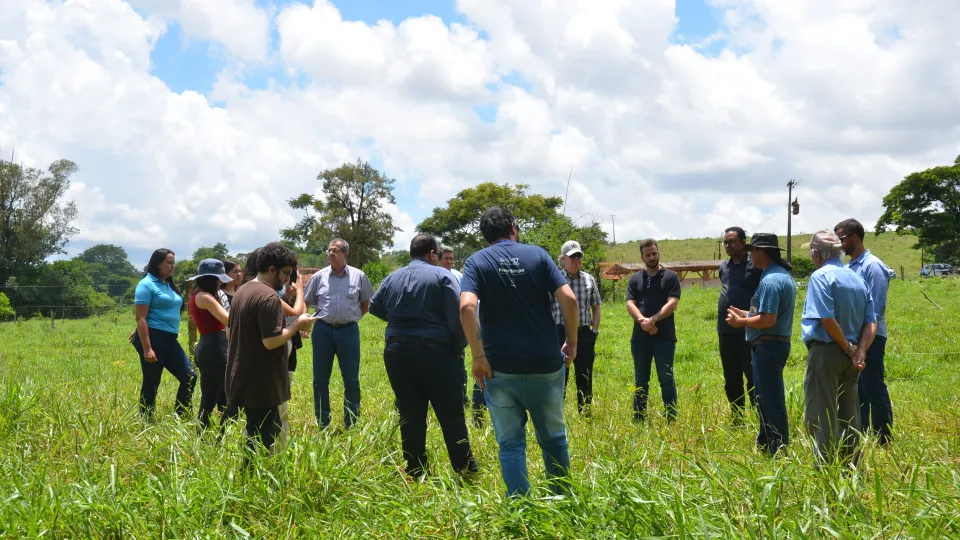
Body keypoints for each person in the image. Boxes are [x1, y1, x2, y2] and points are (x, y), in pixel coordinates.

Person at [460, 206, 579, 497]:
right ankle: (562, 500)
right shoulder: (538, 254)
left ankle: (521, 511)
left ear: (485, 235)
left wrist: (478, 357)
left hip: (499, 368)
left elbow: (466, 307)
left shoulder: (476, 262)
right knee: (553, 438)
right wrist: (572, 342)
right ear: (514, 227)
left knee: (511, 444)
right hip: (545, 364)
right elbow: (570, 299)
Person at [370, 234, 478, 478]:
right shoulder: (442, 276)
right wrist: (459, 347)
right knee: (451, 414)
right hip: (436, 353)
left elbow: (375, 307)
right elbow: (457, 316)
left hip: (397, 352)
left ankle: (416, 471)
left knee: (410, 413)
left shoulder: (392, 277)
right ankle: (464, 470)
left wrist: (401, 321)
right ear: (432, 253)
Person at [225, 242, 315, 455]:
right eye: (285, 273)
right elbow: (271, 341)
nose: (287, 279)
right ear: (271, 269)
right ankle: (251, 483)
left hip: (243, 376)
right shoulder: (268, 297)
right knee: (260, 440)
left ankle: (253, 481)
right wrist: (297, 325)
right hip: (261, 381)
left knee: (256, 433)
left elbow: (230, 332)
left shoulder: (243, 290)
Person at [800, 230, 877, 465]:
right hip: (853, 358)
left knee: (821, 414)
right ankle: (851, 467)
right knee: (849, 415)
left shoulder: (820, 277)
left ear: (816, 254)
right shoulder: (857, 278)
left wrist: (847, 347)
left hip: (828, 351)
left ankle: (825, 470)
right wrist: (860, 350)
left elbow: (826, 318)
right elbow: (871, 321)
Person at [725, 233, 796, 456]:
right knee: (763, 397)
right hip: (770, 344)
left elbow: (767, 320)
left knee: (771, 400)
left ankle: (779, 449)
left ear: (761, 252)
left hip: (769, 345)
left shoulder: (771, 281)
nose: (749, 255)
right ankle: (766, 444)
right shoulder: (778, 276)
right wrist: (746, 313)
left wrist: (741, 321)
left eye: (752, 250)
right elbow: (764, 313)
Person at [304, 238, 374, 429]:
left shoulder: (359, 276)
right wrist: (304, 320)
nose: (330, 254)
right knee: (320, 379)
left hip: (348, 331)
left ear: (345, 253)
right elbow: (305, 301)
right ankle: (322, 422)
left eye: (335, 250)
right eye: (329, 250)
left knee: (351, 379)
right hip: (323, 331)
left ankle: (351, 422)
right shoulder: (319, 277)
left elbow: (366, 302)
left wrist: (354, 316)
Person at [835, 218, 894, 446]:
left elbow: (876, 309)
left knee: (873, 386)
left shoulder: (873, 266)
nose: (839, 244)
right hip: (853, 336)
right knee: (857, 388)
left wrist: (862, 343)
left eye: (842, 238)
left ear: (855, 237)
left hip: (872, 336)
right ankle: (862, 432)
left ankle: (883, 438)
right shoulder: (849, 266)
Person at [131, 248, 197, 419]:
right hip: (153, 338)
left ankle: (181, 416)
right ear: (158, 264)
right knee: (152, 381)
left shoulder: (168, 285)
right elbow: (141, 318)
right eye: (169, 263)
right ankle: (147, 419)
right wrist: (147, 348)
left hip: (169, 338)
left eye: (174, 263)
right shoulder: (146, 284)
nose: (173, 266)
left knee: (190, 376)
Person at [625, 239, 681, 422]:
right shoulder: (635, 279)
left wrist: (653, 319)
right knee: (641, 379)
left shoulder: (670, 277)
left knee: (666, 378)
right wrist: (643, 321)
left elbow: (672, 303)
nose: (652, 257)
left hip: (665, 337)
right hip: (640, 339)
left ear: (658, 253)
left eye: (654, 253)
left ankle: (671, 417)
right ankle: (639, 418)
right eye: (648, 254)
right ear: (642, 257)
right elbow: (629, 303)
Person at [716, 226, 763, 421]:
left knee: (752, 375)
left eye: (732, 241)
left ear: (744, 242)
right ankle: (737, 418)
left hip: (748, 329)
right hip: (726, 331)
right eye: (725, 242)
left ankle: (759, 418)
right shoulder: (724, 267)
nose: (728, 245)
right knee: (731, 377)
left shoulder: (756, 266)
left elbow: (762, 298)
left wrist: (748, 318)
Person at [552, 240, 602, 416]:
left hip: (584, 333)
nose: (576, 260)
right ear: (562, 259)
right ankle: (557, 415)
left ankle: (585, 414)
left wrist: (594, 330)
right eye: (572, 257)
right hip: (559, 334)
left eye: (579, 256)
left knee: (585, 376)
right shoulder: (554, 280)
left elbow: (596, 306)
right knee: (559, 378)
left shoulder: (589, 279)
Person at [186, 259, 234, 429]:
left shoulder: (198, 295)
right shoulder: (205, 297)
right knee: (233, 394)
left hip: (209, 347)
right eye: (220, 278)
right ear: (213, 279)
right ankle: (224, 433)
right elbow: (229, 319)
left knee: (209, 396)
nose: (221, 282)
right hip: (215, 348)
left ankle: (203, 433)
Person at [441, 243, 485, 424]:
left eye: (452, 258)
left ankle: (463, 400)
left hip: (458, 329)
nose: (450, 261)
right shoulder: (433, 276)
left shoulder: (459, 276)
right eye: (446, 258)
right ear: (437, 258)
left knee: (460, 365)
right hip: (439, 330)